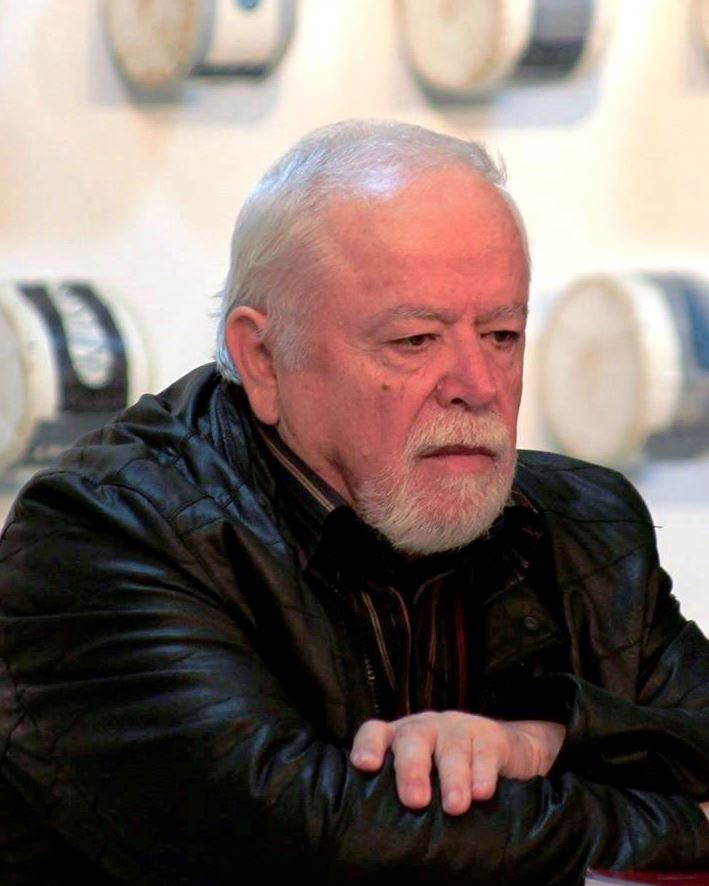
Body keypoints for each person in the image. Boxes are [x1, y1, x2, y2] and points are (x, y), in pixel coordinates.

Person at [1, 118, 709, 886]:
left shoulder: (585, 527)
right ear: (262, 358)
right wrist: (682, 828)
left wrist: (540, 742)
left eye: (501, 335)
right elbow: (317, 846)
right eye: (414, 341)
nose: (476, 384)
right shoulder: (105, 535)